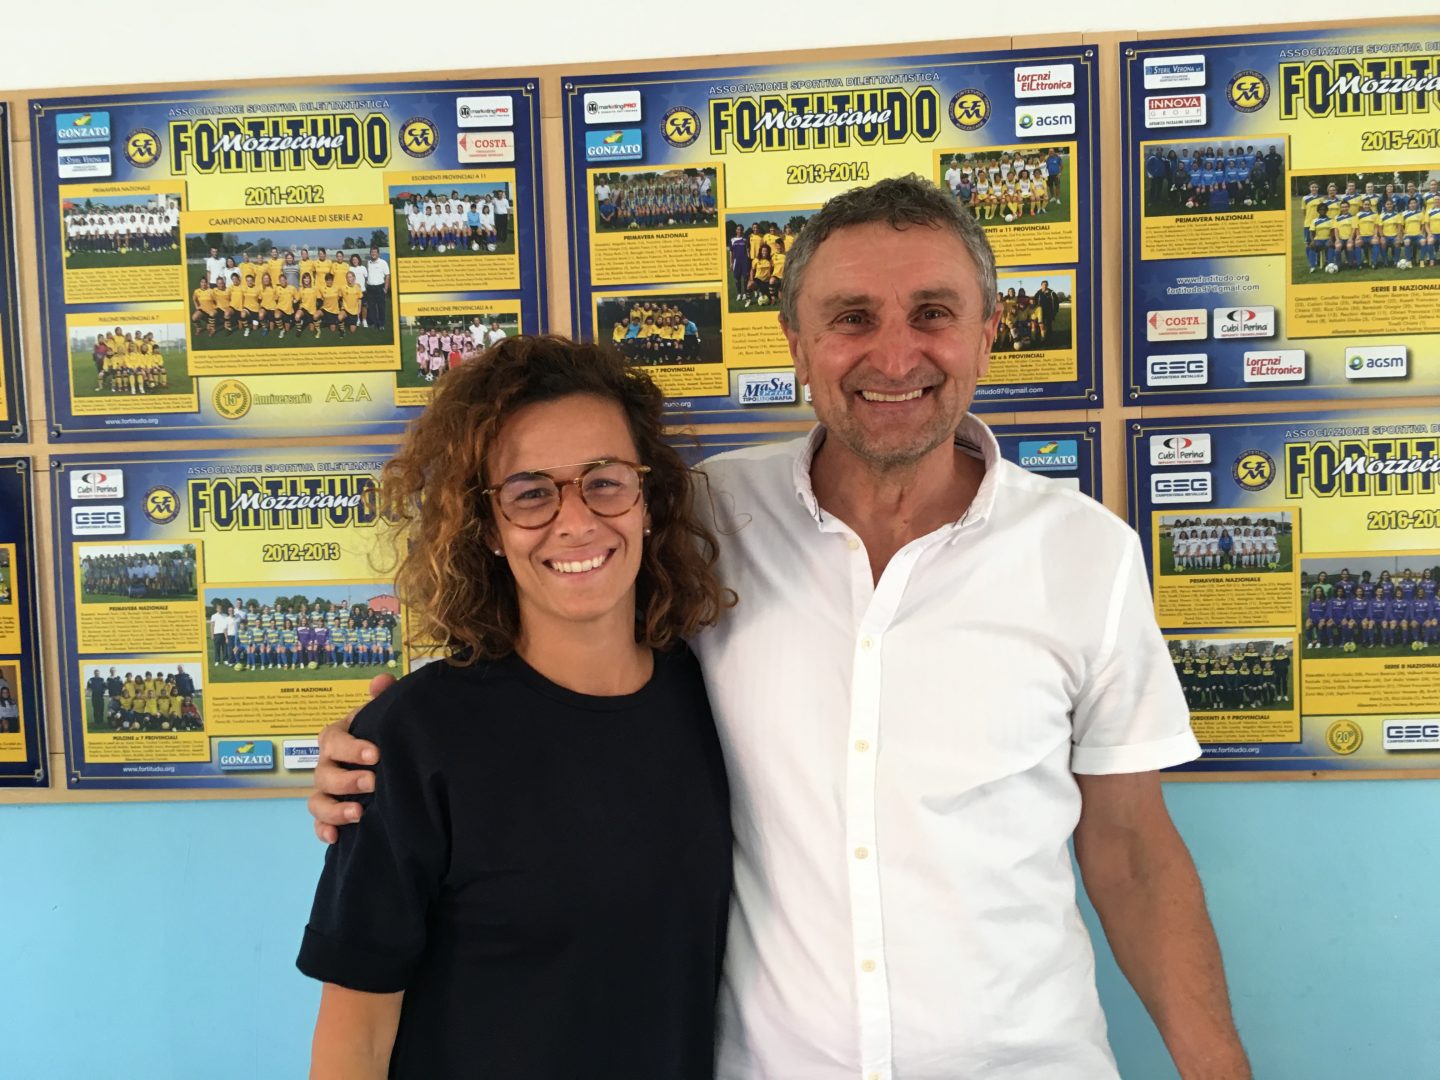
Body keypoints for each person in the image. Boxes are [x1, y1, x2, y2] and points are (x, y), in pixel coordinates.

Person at [310, 176, 1249, 1079]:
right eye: (852, 318)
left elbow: (1133, 853)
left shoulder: (1088, 554)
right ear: (796, 343)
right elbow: (551, 647)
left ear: (987, 332)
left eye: (932, 312)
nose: (894, 357)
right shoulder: (709, 520)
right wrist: (384, 757)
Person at [297, 337, 734, 1078]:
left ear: (649, 501)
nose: (576, 521)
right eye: (531, 493)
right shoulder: (413, 739)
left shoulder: (714, 698)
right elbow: (355, 1041)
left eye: (605, 481)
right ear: (489, 530)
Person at [364, 246, 390, 332]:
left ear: (378, 253)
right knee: (371, 308)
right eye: (372, 252)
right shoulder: (368, 263)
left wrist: (385, 288)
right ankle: (375, 323)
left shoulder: (383, 263)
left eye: (375, 252)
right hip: (370, 288)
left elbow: (387, 276)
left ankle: (381, 324)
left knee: (381, 307)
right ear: (370, 253)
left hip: (380, 288)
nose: (373, 253)